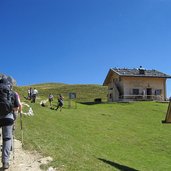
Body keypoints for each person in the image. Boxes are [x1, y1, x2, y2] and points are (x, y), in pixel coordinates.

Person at [0, 78, 21, 169]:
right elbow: (16, 108)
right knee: (7, 139)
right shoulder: (12, 93)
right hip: (8, 117)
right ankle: (5, 161)